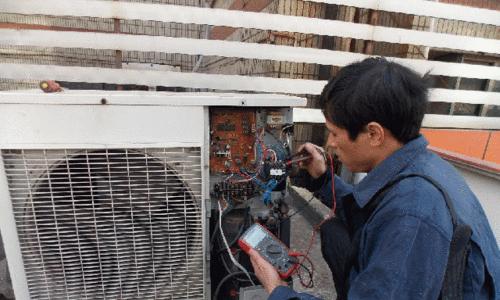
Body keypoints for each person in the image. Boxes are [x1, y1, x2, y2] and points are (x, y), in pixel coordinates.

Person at [248, 57, 500, 299]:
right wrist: (324, 179)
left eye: (335, 133)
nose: (330, 144)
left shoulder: (412, 214)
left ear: (374, 134)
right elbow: (370, 209)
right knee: (334, 233)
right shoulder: (426, 167)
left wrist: (277, 289)